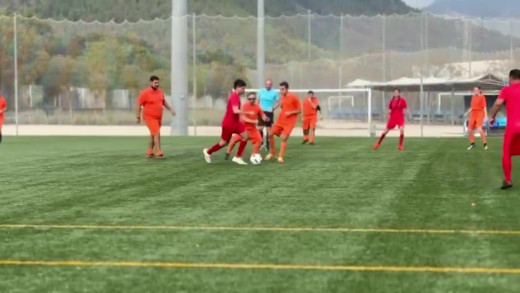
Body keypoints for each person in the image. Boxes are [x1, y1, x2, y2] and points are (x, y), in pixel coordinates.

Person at [203, 79, 253, 165]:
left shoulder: (237, 96)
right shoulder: (234, 96)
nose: (243, 91)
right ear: (238, 88)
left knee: (245, 136)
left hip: (236, 123)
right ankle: (208, 152)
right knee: (224, 143)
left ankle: (238, 157)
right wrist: (247, 112)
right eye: (243, 88)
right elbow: (235, 110)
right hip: (228, 124)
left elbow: (236, 112)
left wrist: (241, 118)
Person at [489, 69, 520, 190]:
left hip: (512, 127)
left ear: (510, 78)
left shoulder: (506, 90)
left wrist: (492, 116)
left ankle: (508, 180)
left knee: (507, 152)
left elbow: (498, 104)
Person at [136, 76, 176, 159]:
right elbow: (138, 105)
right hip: (149, 117)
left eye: (158, 82)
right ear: (151, 83)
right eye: (155, 83)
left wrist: (171, 109)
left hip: (158, 118)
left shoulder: (160, 92)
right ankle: (159, 152)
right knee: (157, 133)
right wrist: (138, 117)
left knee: (153, 134)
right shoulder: (145, 93)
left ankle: (149, 152)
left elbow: (164, 102)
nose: (157, 84)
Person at [225, 92, 269, 162]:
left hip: (253, 129)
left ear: (255, 99)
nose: (251, 100)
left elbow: (262, 115)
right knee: (234, 140)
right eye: (250, 99)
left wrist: (266, 118)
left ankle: (254, 155)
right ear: (247, 99)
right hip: (243, 129)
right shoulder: (244, 106)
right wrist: (254, 121)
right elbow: (243, 119)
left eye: (253, 98)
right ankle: (228, 152)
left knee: (259, 140)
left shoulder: (258, 107)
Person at [265, 81, 301, 164]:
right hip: (281, 120)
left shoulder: (293, 97)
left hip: (290, 122)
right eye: (280, 89)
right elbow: (283, 106)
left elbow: (299, 110)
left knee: (284, 137)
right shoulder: (282, 97)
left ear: (287, 89)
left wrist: (290, 112)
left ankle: (280, 157)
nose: (281, 91)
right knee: (270, 133)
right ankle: (272, 152)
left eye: (283, 89)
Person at [258, 79, 280, 152]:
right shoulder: (260, 91)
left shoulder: (274, 93)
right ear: (265, 84)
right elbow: (257, 101)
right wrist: (257, 109)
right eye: (267, 84)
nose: (268, 85)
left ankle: (267, 144)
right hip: (261, 112)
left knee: (268, 130)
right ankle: (260, 142)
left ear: (271, 85)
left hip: (269, 113)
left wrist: (273, 108)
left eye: (269, 84)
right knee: (260, 129)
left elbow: (277, 103)